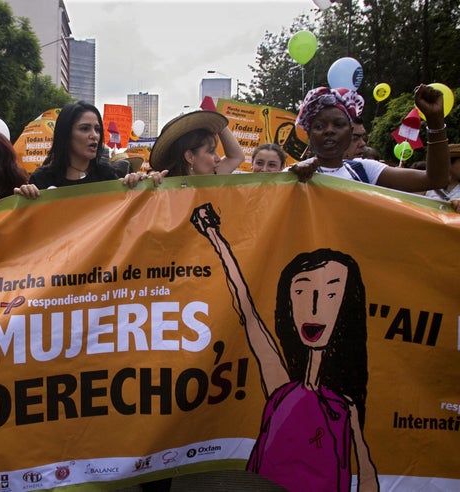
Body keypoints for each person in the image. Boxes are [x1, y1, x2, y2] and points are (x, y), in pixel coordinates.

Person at [190, 203, 378, 492]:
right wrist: (214, 236)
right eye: (301, 291)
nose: (314, 306)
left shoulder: (344, 407)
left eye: (330, 293)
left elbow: (367, 477)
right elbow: (246, 308)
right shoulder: (283, 390)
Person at [290, 84, 450, 193]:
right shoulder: (291, 176)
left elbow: (436, 180)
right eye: (319, 126)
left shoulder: (364, 171)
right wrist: (292, 178)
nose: (329, 131)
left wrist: (435, 121)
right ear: (309, 134)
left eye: (338, 125)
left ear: (350, 132)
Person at [29, 101, 163, 190]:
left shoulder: (107, 176)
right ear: (66, 134)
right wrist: (25, 199)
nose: (94, 135)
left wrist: (142, 185)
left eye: (97, 129)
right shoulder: (41, 180)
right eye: (85, 128)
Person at [149, 109, 244, 176]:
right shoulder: (161, 186)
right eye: (211, 151)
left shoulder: (211, 177)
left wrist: (218, 124)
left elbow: (236, 157)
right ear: (190, 156)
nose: (218, 158)